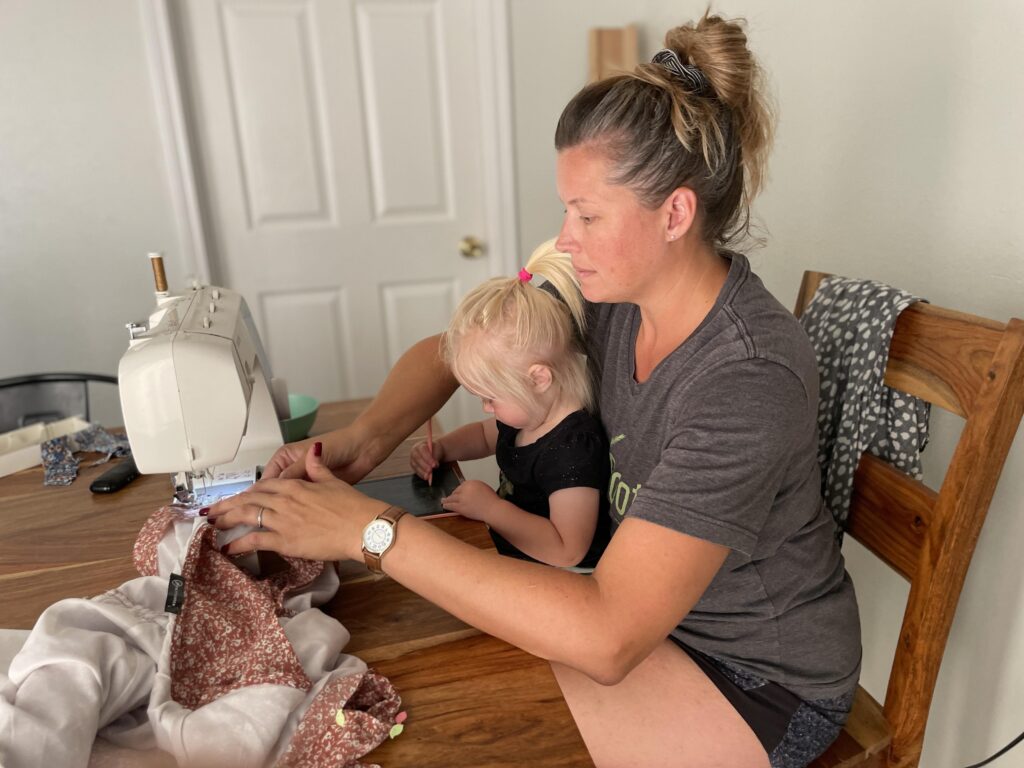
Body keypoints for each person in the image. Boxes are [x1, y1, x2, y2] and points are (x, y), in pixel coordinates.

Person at [206, 12, 861, 767]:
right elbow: (455, 354)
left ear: (676, 213)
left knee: (445, 733)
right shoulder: (613, 297)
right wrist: (365, 442)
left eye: (587, 213)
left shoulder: (746, 376)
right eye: (565, 208)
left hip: (755, 678)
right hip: (636, 610)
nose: (566, 237)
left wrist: (368, 530)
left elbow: (609, 636)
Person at [408, 238, 610, 569]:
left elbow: (568, 549)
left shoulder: (574, 449)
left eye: (491, 397)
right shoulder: (531, 413)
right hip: (520, 554)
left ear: (539, 379)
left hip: (566, 577)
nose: (487, 407)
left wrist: (492, 509)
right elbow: (486, 435)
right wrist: (442, 449)